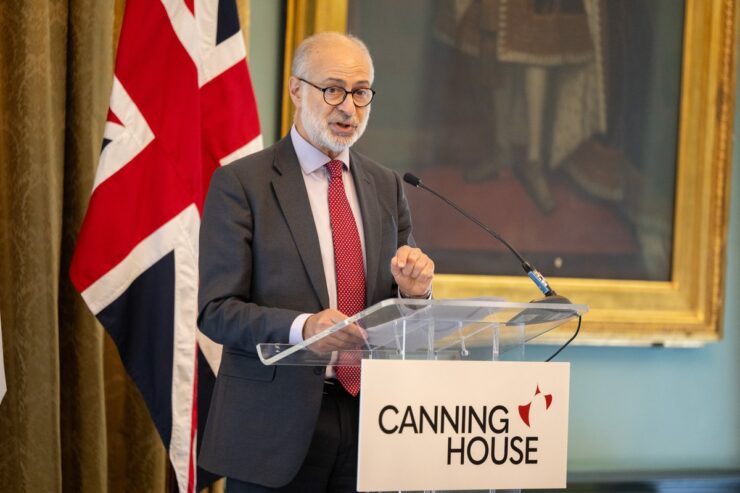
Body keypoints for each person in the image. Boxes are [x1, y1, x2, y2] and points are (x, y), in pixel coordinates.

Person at [197, 32, 435, 492]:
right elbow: (216, 311)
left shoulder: (387, 186)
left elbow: (402, 311)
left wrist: (415, 292)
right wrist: (304, 328)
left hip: (374, 422)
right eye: (333, 90)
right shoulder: (242, 185)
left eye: (361, 92)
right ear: (295, 89)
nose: (349, 108)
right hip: (274, 428)